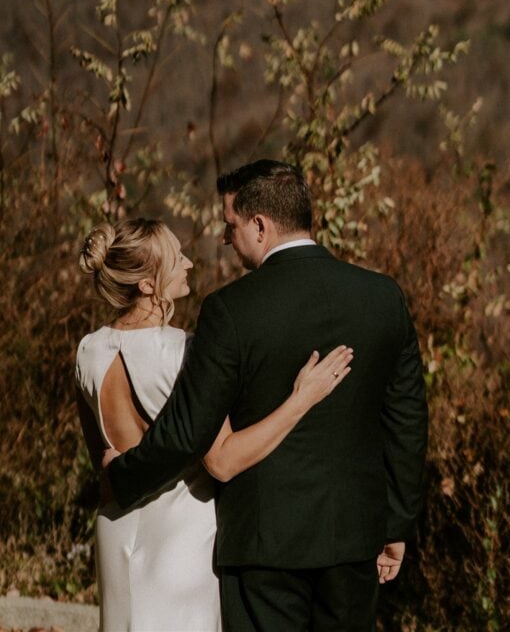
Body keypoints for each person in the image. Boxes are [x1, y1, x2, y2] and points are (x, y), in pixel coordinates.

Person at [105, 160, 428, 632]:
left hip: (262, 547)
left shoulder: (230, 311)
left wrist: (122, 476)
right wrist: (396, 523)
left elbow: (186, 433)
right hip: (353, 540)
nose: (224, 238)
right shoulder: (383, 299)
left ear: (260, 225)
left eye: (230, 225)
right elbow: (407, 421)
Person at [75, 217, 354, 632]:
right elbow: (224, 457)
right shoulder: (184, 352)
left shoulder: (88, 349)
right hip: (180, 537)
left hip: (115, 528)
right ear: (148, 285)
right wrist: (302, 399)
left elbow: (103, 456)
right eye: (176, 258)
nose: (188, 263)